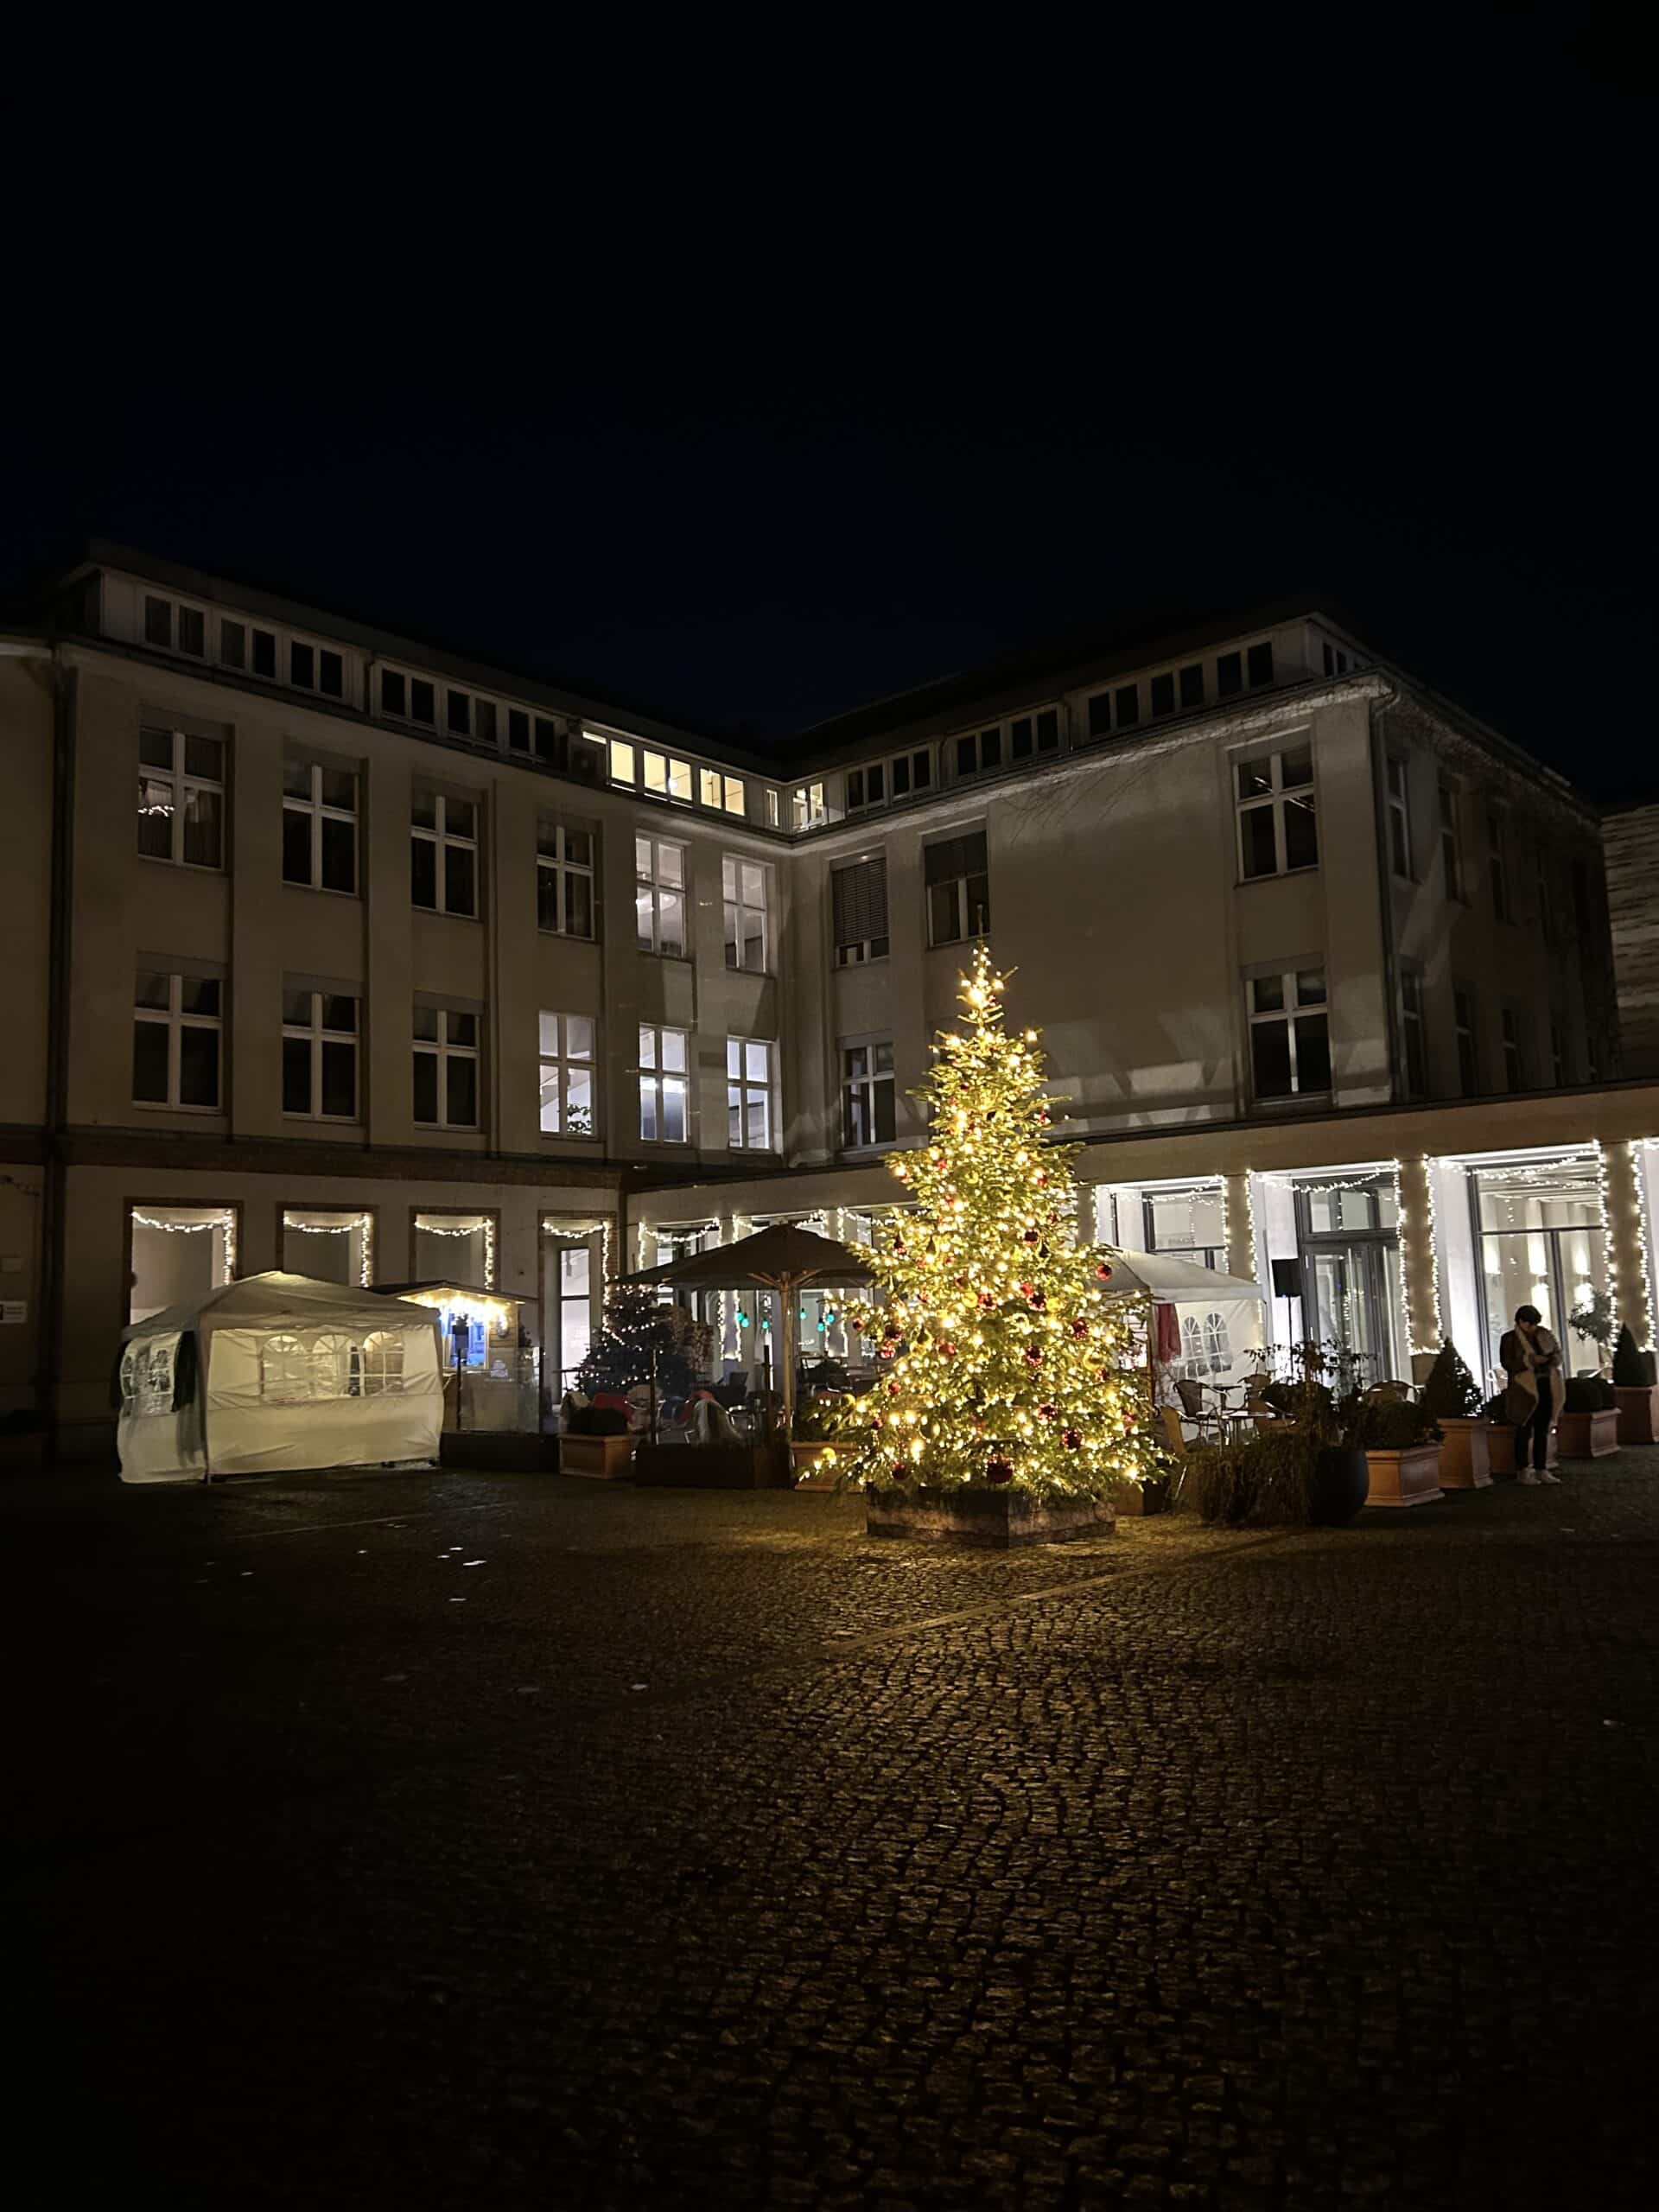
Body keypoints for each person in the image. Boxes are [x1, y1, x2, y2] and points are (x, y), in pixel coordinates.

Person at [1499, 1305, 1562, 1484]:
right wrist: (1528, 1361)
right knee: (1523, 1428)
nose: (1533, 1328)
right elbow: (1508, 1363)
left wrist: (1549, 1360)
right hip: (1523, 1389)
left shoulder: (1544, 1336)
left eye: (1535, 1324)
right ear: (1520, 1322)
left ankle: (1541, 1468)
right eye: (1530, 1324)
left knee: (1542, 1428)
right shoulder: (1510, 1339)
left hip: (1545, 1384)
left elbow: (1556, 1354)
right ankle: (1523, 1469)